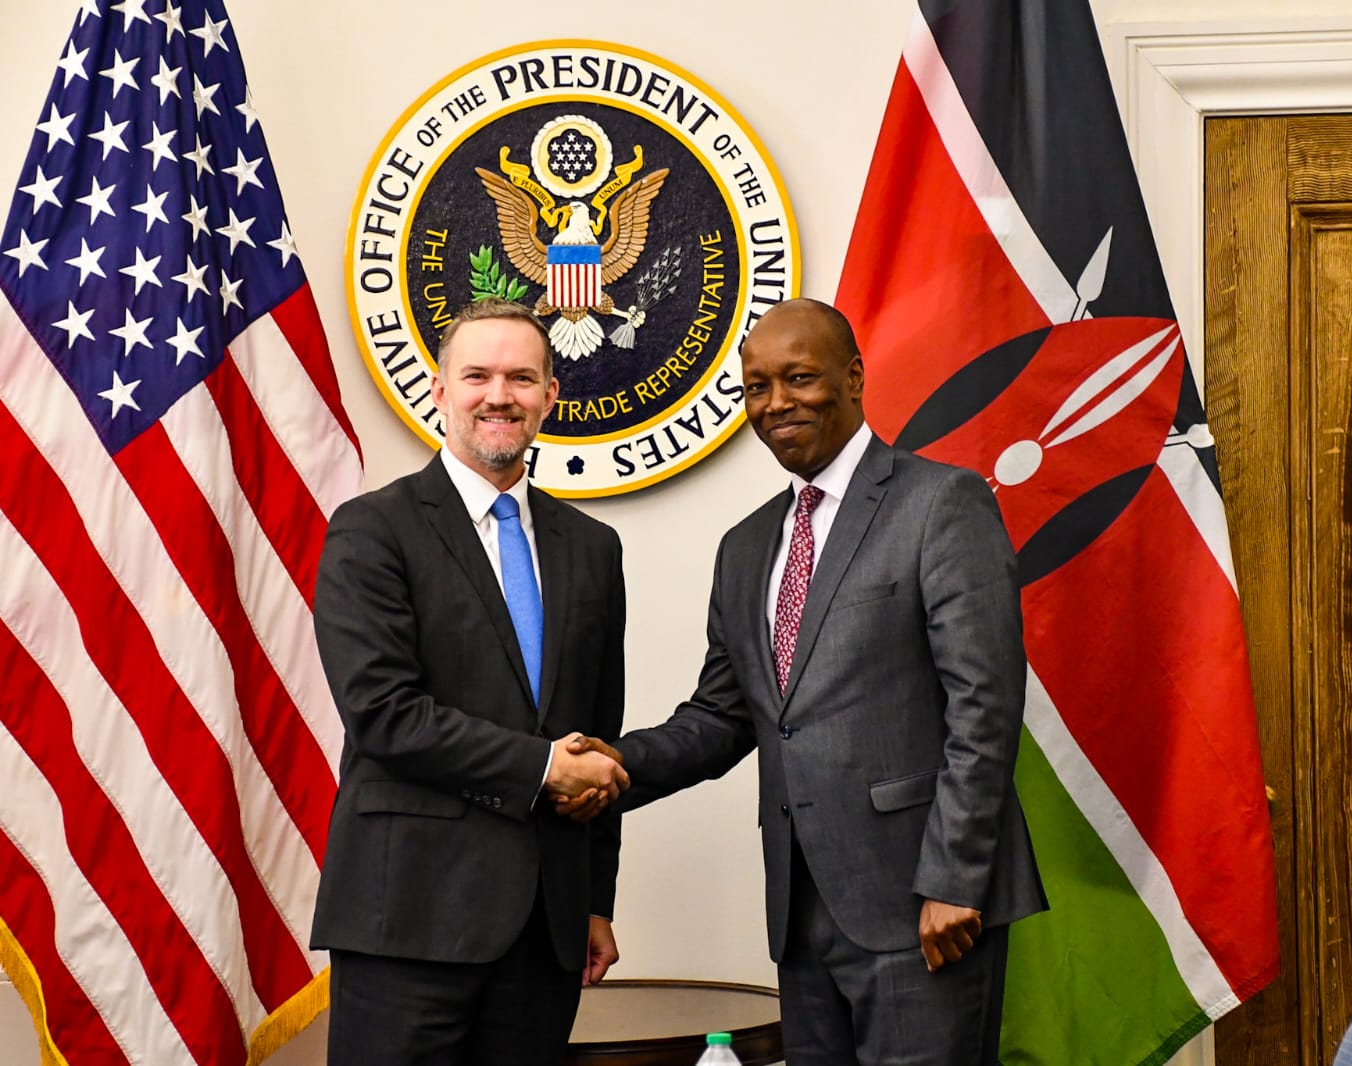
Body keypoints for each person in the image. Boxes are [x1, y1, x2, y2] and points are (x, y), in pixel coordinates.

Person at [564, 298, 1046, 1065]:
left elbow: (984, 705)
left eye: (799, 378)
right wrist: (614, 766)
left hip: (927, 906)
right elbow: (723, 718)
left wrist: (955, 880)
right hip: (802, 917)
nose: (777, 403)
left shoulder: (940, 503)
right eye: (757, 387)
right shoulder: (747, 546)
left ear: (853, 379)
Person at [311, 297, 630, 1066]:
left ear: (550, 396)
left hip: (545, 932)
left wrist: (592, 900)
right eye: (478, 375)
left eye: (522, 377)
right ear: (439, 389)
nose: (500, 395)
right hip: (408, 921)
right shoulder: (370, 530)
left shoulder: (593, 547)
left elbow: (598, 730)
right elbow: (383, 714)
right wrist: (544, 766)